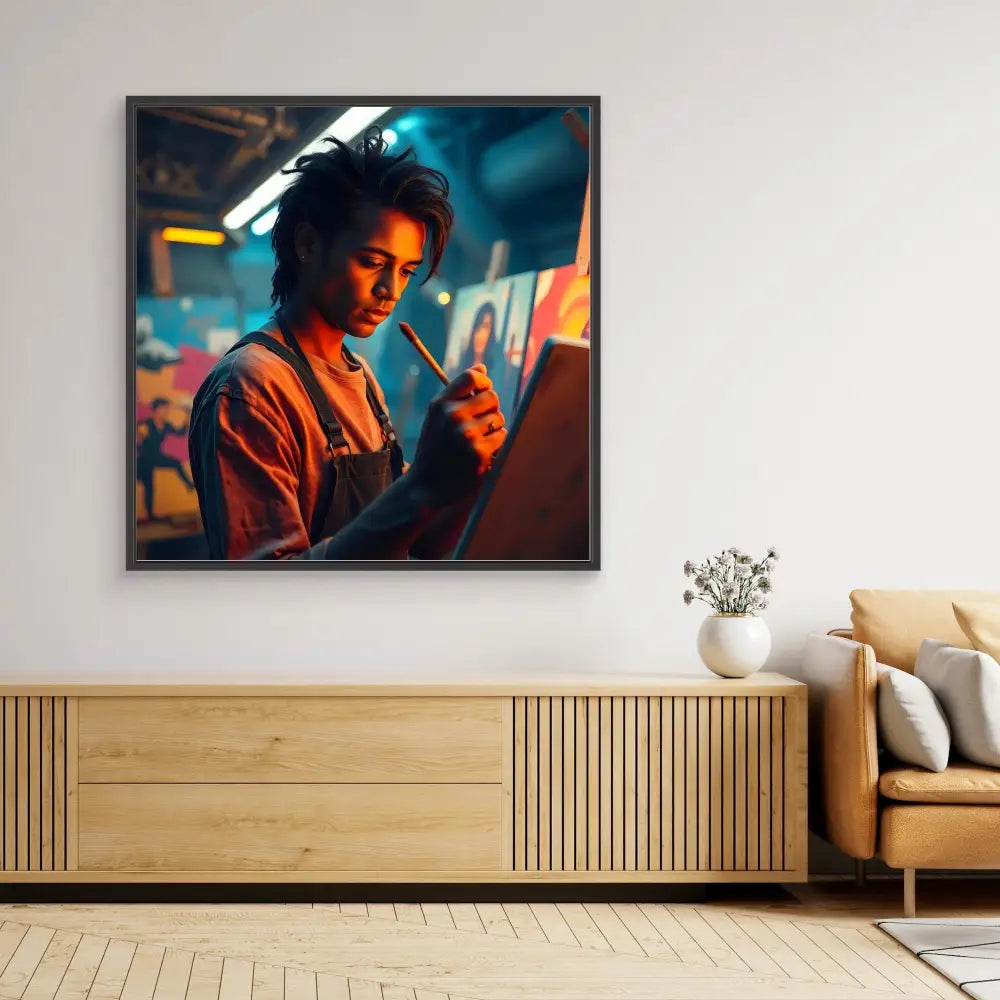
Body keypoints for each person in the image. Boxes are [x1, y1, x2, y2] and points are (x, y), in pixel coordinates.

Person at [188, 125, 507, 560]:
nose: (390, 290)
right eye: (373, 262)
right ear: (307, 244)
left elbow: (419, 544)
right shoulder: (251, 387)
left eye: (405, 271)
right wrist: (424, 483)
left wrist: (473, 478)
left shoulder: (361, 378)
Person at [136, 398, 195, 521]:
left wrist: (188, 414)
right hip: (143, 460)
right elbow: (136, 441)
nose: (166, 412)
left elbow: (180, 432)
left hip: (156, 457)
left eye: (167, 409)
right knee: (148, 485)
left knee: (175, 463)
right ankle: (150, 515)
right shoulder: (145, 425)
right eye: (163, 409)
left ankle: (190, 485)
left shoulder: (166, 425)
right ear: (156, 410)